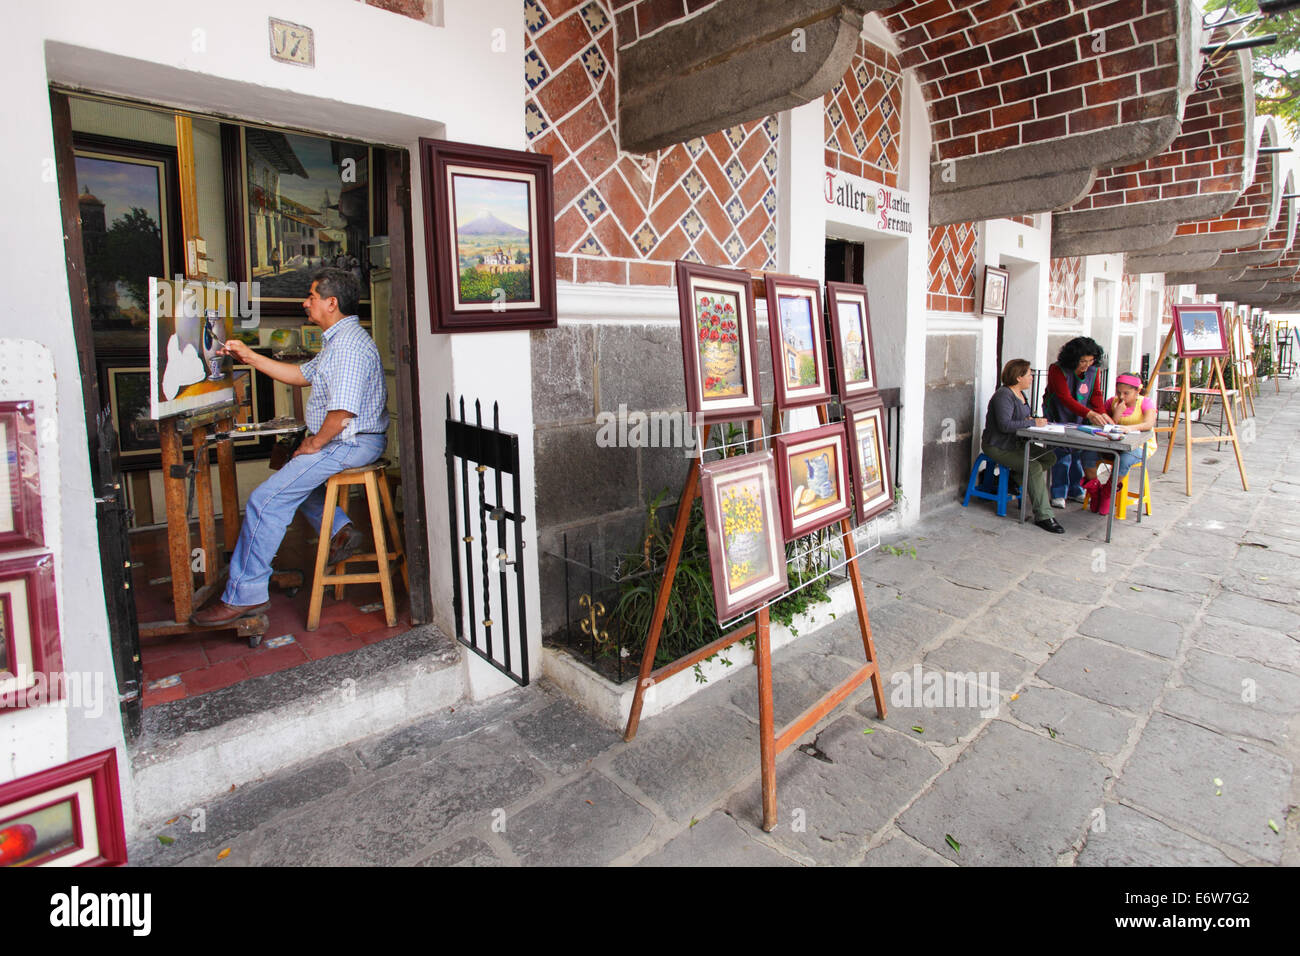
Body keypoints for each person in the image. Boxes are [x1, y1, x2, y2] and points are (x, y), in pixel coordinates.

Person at [191, 268, 389, 626]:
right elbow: (300, 375)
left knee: (264, 500)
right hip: (349, 439)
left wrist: (314, 443)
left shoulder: (348, 346)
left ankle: (244, 596)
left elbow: (343, 412)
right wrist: (249, 356)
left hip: (351, 441)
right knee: (290, 477)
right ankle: (341, 530)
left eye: (311, 296)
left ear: (331, 303)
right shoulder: (337, 341)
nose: (305, 302)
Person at [981, 358, 1065, 534]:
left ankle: (1013, 479)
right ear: (1018, 377)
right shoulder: (1004, 395)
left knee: (1049, 457)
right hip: (999, 446)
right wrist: (1032, 422)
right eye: (1029, 374)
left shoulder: (1020, 394)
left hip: (1016, 444)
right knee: (1033, 467)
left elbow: (1020, 418)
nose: (1032, 378)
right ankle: (1044, 515)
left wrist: (1031, 421)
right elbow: (1005, 425)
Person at [1043, 336, 1114, 508]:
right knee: (1061, 455)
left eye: (1090, 360)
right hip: (1059, 414)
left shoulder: (1093, 370)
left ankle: (1075, 490)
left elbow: (1096, 394)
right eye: (1083, 361)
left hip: (1081, 416)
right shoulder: (1057, 369)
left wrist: (1102, 414)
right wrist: (1090, 414)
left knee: (1077, 454)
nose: (1086, 365)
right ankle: (1058, 492)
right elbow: (1064, 397)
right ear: (1073, 358)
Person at [1089, 372, 1158, 515]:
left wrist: (1128, 428)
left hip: (1139, 446)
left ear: (1138, 391)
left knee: (1124, 459)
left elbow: (1149, 423)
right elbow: (1107, 426)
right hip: (1112, 445)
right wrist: (1117, 414)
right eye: (1119, 392)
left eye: (1126, 393)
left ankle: (1108, 493)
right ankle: (1096, 492)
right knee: (1086, 453)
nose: (1121, 397)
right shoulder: (1112, 402)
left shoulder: (1145, 403)